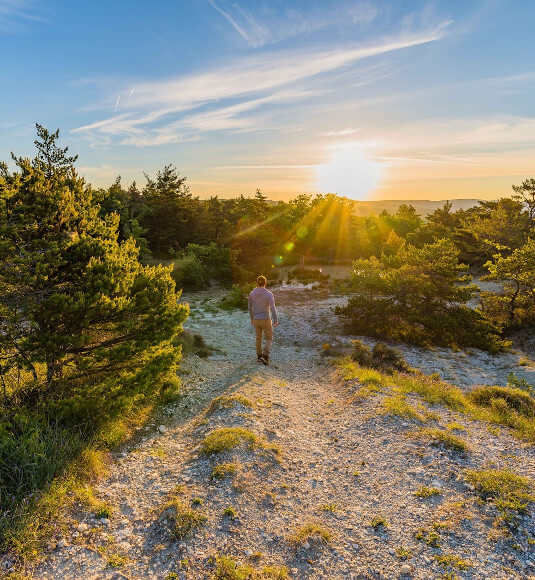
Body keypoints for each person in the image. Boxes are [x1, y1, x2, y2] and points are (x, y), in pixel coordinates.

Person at [248, 275, 278, 365]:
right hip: (266, 319)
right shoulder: (269, 294)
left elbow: (250, 308)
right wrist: (275, 320)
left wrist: (252, 318)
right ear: (265, 283)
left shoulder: (252, 294)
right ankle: (265, 355)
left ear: (257, 283)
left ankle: (259, 356)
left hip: (256, 319)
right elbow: (273, 308)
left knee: (258, 338)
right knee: (269, 338)